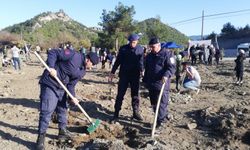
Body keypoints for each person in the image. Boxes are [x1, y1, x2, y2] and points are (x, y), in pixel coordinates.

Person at [36, 43, 99, 150]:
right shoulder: (74, 55)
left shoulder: (82, 71)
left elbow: (71, 85)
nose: (92, 67)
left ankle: (62, 131)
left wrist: (72, 97)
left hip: (62, 87)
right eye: (92, 64)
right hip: (51, 83)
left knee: (62, 109)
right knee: (47, 110)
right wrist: (51, 67)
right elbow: (53, 52)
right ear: (88, 60)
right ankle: (41, 138)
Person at [108, 33, 144, 123]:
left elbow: (141, 61)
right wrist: (112, 72)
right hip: (124, 75)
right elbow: (117, 61)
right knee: (120, 94)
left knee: (135, 95)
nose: (132, 44)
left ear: (137, 41)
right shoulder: (123, 49)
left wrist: (142, 70)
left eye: (134, 42)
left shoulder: (140, 49)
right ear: (129, 41)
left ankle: (135, 113)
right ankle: (116, 114)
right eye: (131, 42)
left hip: (135, 76)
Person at [143, 37, 176, 129]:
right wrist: (145, 80)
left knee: (161, 103)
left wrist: (166, 75)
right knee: (154, 103)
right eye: (150, 47)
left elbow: (171, 68)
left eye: (153, 47)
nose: (151, 49)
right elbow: (147, 69)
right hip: (151, 83)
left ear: (158, 45)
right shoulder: (149, 56)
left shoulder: (168, 54)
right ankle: (158, 119)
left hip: (162, 83)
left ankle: (160, 122)